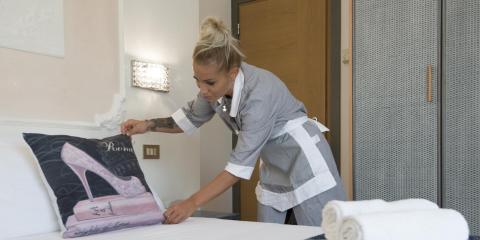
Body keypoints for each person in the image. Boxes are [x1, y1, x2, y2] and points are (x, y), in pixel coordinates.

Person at [121, 17, 346, 225]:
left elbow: (237, 169)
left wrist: (191, 202)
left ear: (233, 73)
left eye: (209, 82)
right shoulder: (212, 91)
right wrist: (146, 125)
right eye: (197, 81)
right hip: (275, 163)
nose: (202, 90)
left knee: (324, 235)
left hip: (302, 157)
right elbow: (189, 118)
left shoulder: (259, 95)